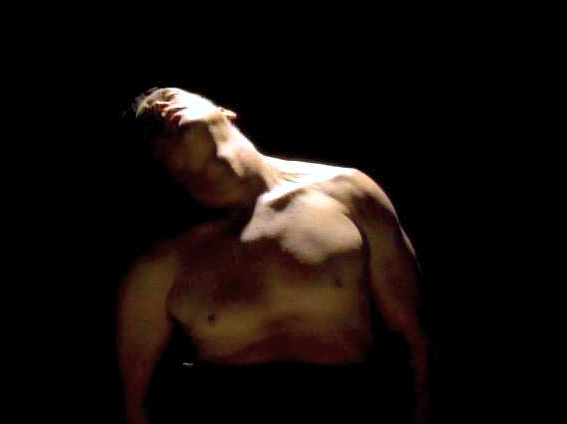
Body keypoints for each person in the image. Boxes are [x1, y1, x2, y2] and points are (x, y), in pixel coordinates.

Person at [117, 87, 432, 423]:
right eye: (151, 124)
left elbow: (417, 340)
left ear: (225, 111)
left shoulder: (349, 192)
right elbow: (134, 406)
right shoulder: (162, 265)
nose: (161, 108)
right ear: (158, 163)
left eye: (169, 96)